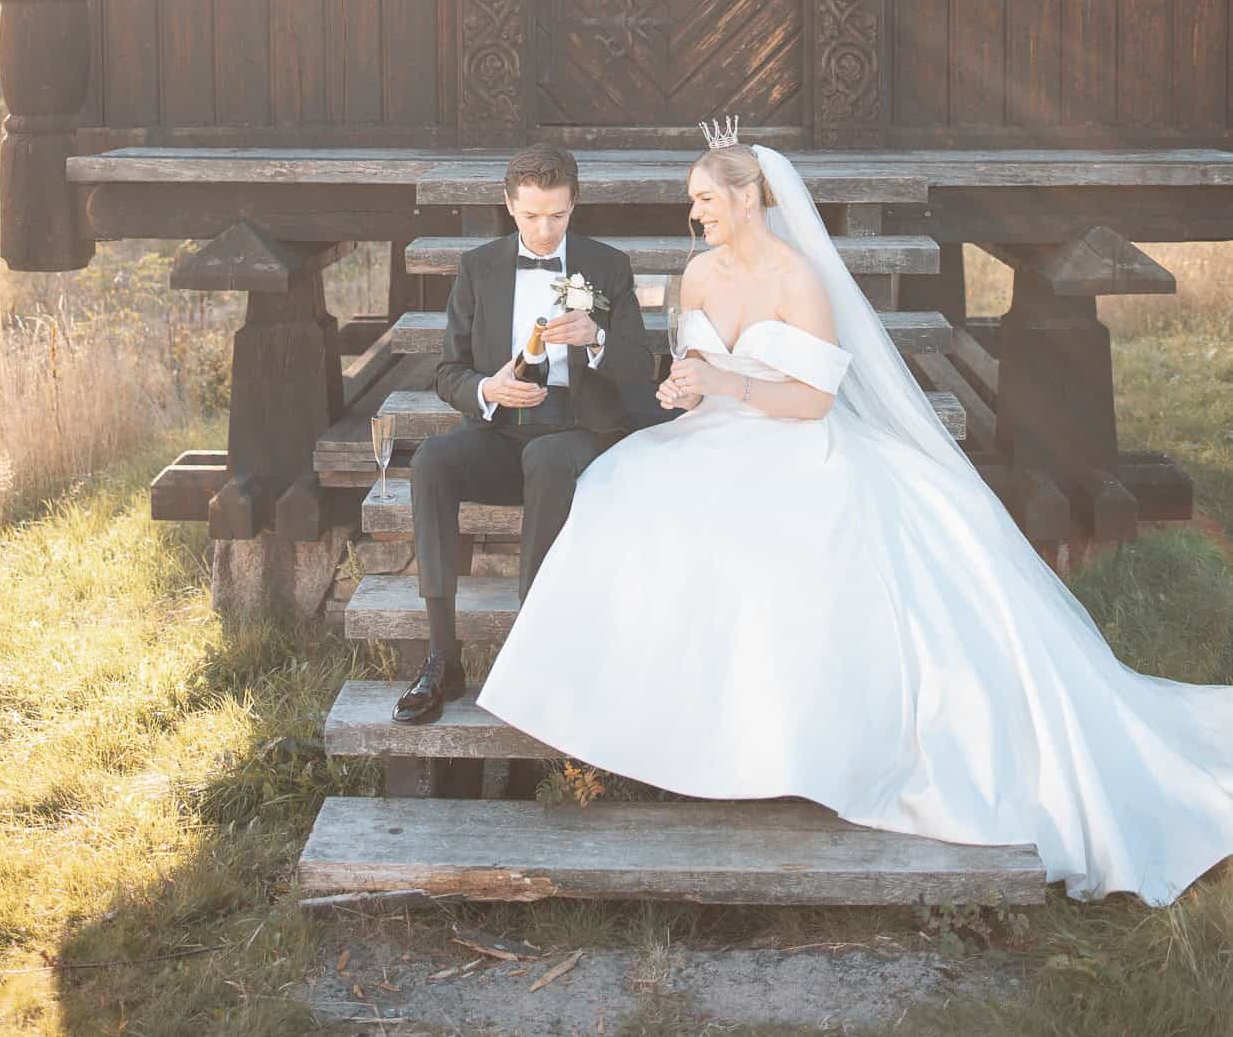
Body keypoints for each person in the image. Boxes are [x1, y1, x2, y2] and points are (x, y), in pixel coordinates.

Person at [477, 126, 1233, 905]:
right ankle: (609, 713)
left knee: (779, 537)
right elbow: (689, 368)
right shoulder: (696, 275)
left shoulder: (799, 279)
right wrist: (683, 391)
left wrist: (730, 389)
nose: (693, 210)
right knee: (617, 488)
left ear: (746, 196)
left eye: (704, 197)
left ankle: (777, 748)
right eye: (691, 200)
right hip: (709, 433)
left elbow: (811, 400)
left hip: (793, 435)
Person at [395, 143, 658, 725]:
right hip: (501, 428)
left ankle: (534, 656)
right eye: (532, 215)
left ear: (574, 205)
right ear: (509, 205)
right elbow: (447, 372)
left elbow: (641, 367)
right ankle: (442, 655)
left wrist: (597, 339)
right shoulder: (477, 267)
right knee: (433, 460)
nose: (545, 229)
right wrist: (487, 390)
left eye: (558, 215)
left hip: (578, 429)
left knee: (547, 457)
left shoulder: (606, 264)